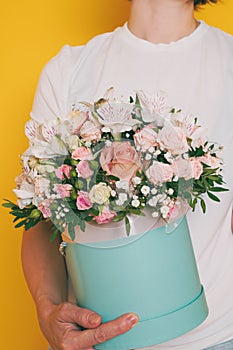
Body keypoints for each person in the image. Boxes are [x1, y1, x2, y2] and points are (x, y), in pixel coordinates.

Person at [21, 0, 233, 349]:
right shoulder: (69, 69)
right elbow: (41, 218)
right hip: (100, 340)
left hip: (217, 336)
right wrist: (47, 313)